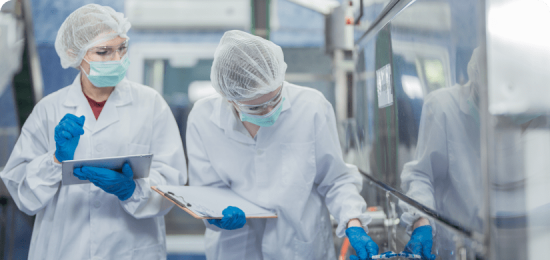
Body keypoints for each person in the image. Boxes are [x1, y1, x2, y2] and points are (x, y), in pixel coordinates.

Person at [0, 4, 186, 259]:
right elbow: (23, 195)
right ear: (74, 54)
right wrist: (55, 160)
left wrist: (133, 191)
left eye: (122, 48)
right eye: (104, 51)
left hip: (132, 249)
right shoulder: (49, 110)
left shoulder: (150, 104)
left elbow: (173, 180)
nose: (117, 59)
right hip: (65, 249)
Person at [186, 30, 378, 260]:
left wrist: (353, 221)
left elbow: (336, 179)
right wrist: (215, 214)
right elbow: (206, 190)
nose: (270, 111)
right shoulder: (203, 118)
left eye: (275, 99)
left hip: (300, 248)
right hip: (235, 249)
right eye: (256, 107)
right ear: (229, 98)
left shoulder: (311, 107)